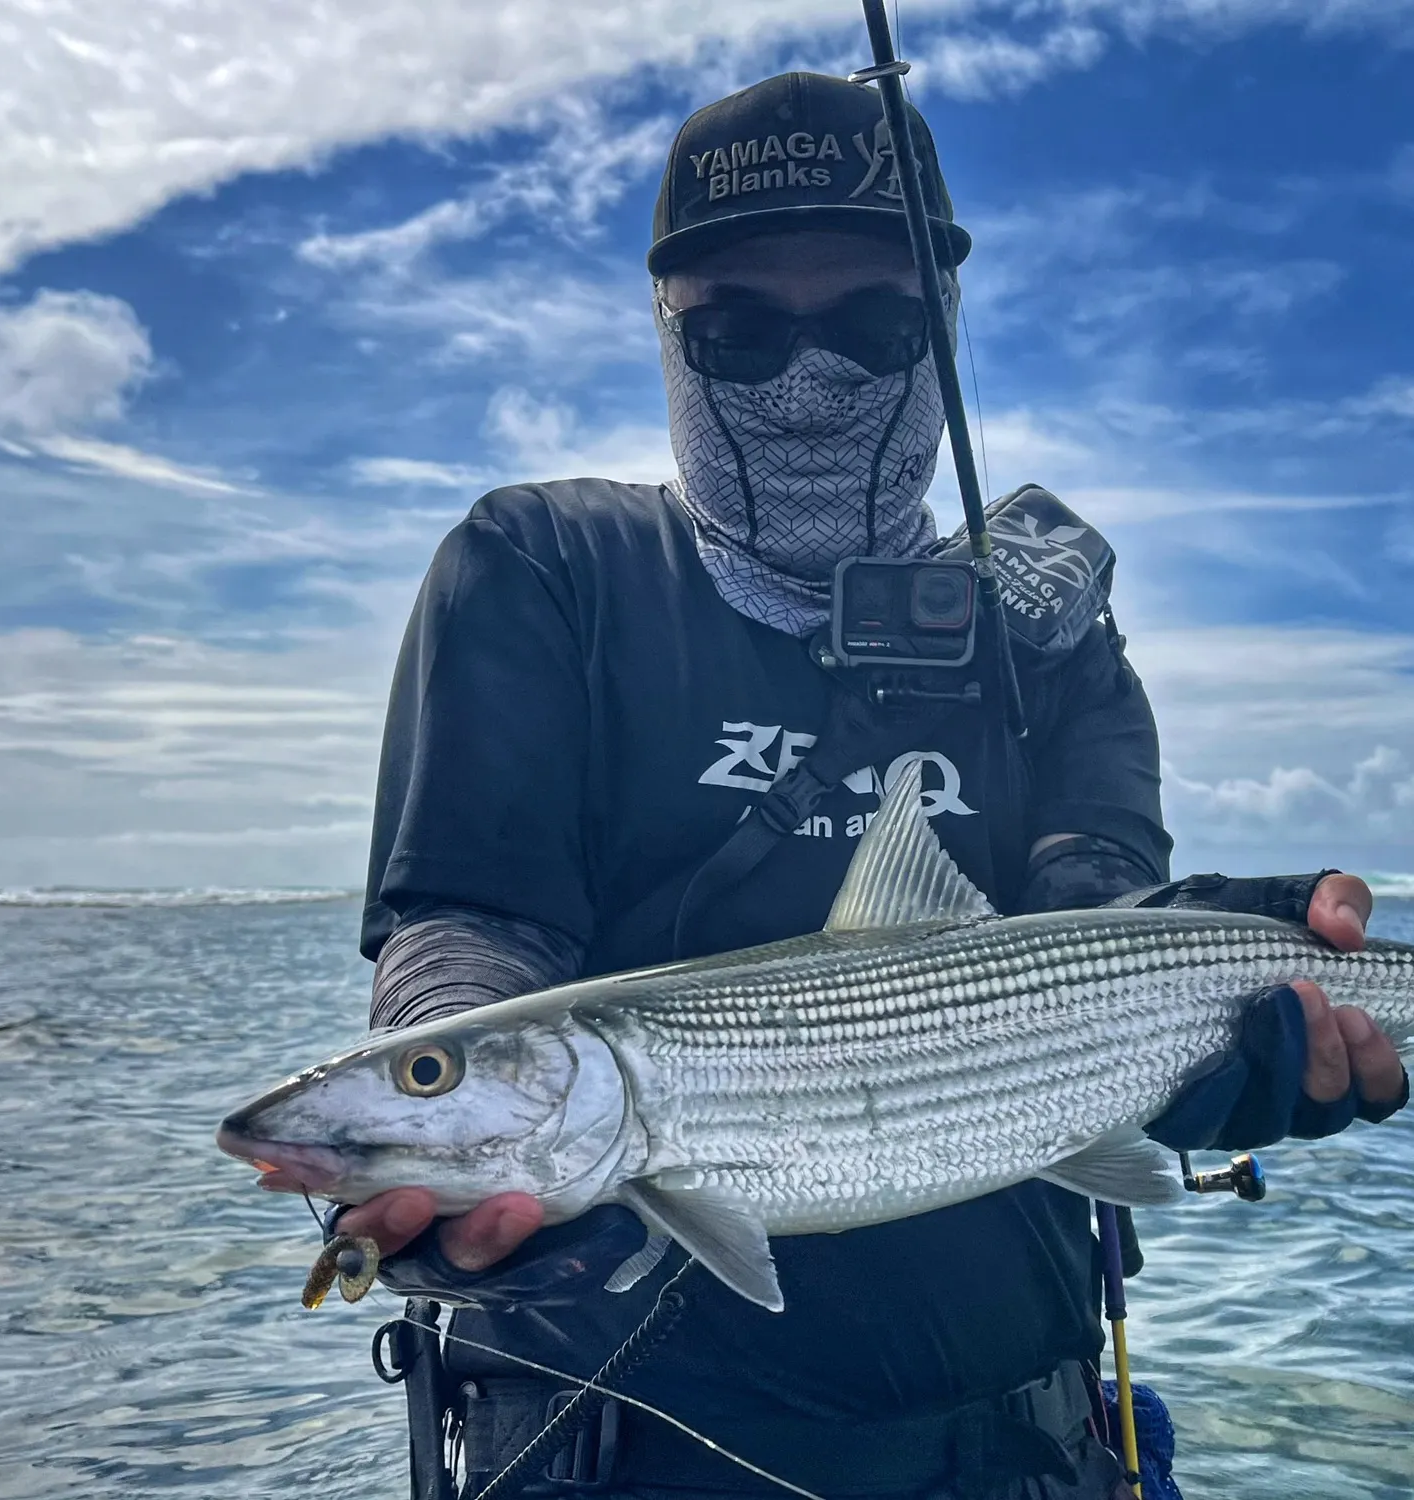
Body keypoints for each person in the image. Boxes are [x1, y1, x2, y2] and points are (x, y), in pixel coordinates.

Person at [267, 72, 1409, 1499]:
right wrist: (454, 1103)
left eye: (874, 327)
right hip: (617, 1445)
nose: (810, 381)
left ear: (942, 336)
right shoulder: (544, 566)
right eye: (740, 333)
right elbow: (465, 921)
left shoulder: (1041, 618)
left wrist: (1211, 1012)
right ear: (668, 335)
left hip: (1029, 1443)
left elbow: (1088, 903)